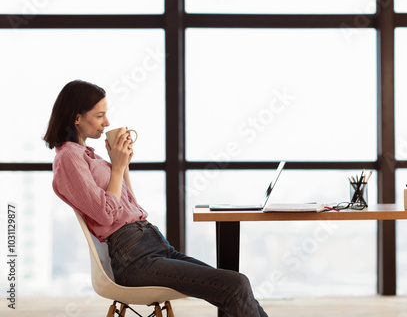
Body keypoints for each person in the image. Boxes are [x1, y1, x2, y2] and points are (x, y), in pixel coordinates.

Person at [44, 80, 268, 317]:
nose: (107, 122)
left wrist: (124, 164)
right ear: (77, 118)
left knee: (236, 284)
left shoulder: (90, 155)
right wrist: (117, 168)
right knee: (235, 285)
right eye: (100, 116)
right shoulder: (68, 158)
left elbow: (130, 206)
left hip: (154, 245)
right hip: (134, 258)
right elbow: (105, 213)